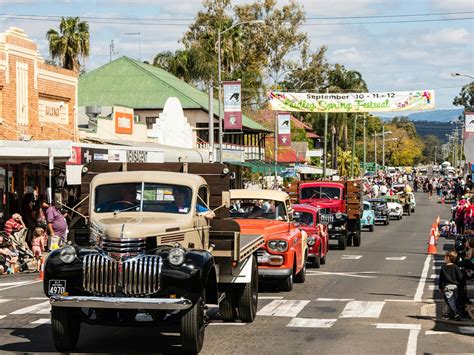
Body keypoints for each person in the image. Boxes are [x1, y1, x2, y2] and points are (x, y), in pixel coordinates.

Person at [439, 251, 465, 320]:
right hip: (455, 286)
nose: (444, 258)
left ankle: (456, 313)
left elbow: (441, 279)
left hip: (448, 287)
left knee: (449, 300)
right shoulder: (456, 267)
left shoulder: (443, 267)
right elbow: (460, 277)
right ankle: (451, 314)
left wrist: (441, 288)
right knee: (453, 300)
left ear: (448, 258)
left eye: (445, 257)